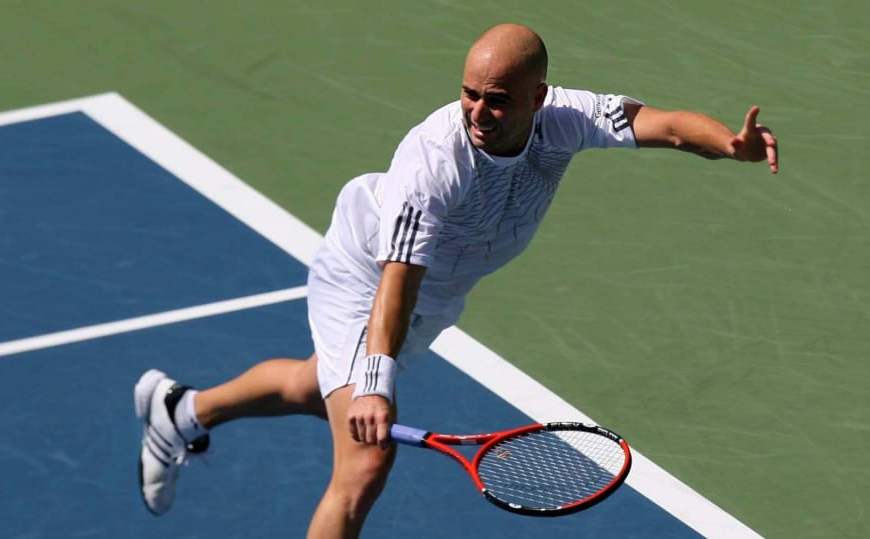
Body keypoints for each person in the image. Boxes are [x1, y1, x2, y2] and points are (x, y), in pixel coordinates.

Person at [134, 23, 778, 539]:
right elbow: (397, 279)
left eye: (497, 99)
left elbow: (665, 127)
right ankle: (196, 412)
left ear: (538, 98)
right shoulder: (433, 162)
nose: (479, 111)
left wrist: (729, 144)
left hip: (438, 292)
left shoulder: (567, 117)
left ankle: (181, 410)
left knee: (316, 386)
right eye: (470, 93)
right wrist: (377, 383)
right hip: (367, 278)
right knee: (365, 461)